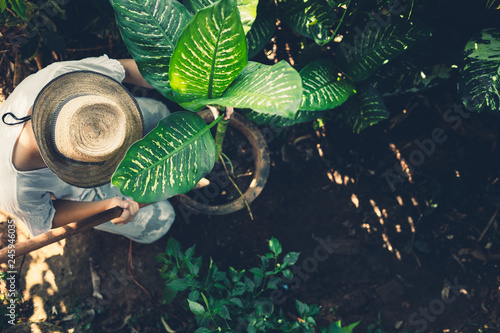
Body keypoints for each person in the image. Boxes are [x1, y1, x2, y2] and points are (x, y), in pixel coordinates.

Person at [0, 55, 176, 244]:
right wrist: (105, 207)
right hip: (87, 193)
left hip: (114, 119)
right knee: (161, 220)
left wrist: (184, 83)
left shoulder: (58, 77)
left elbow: (124, 69)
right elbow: (48, 218)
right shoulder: (13, 191)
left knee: (162, 115)